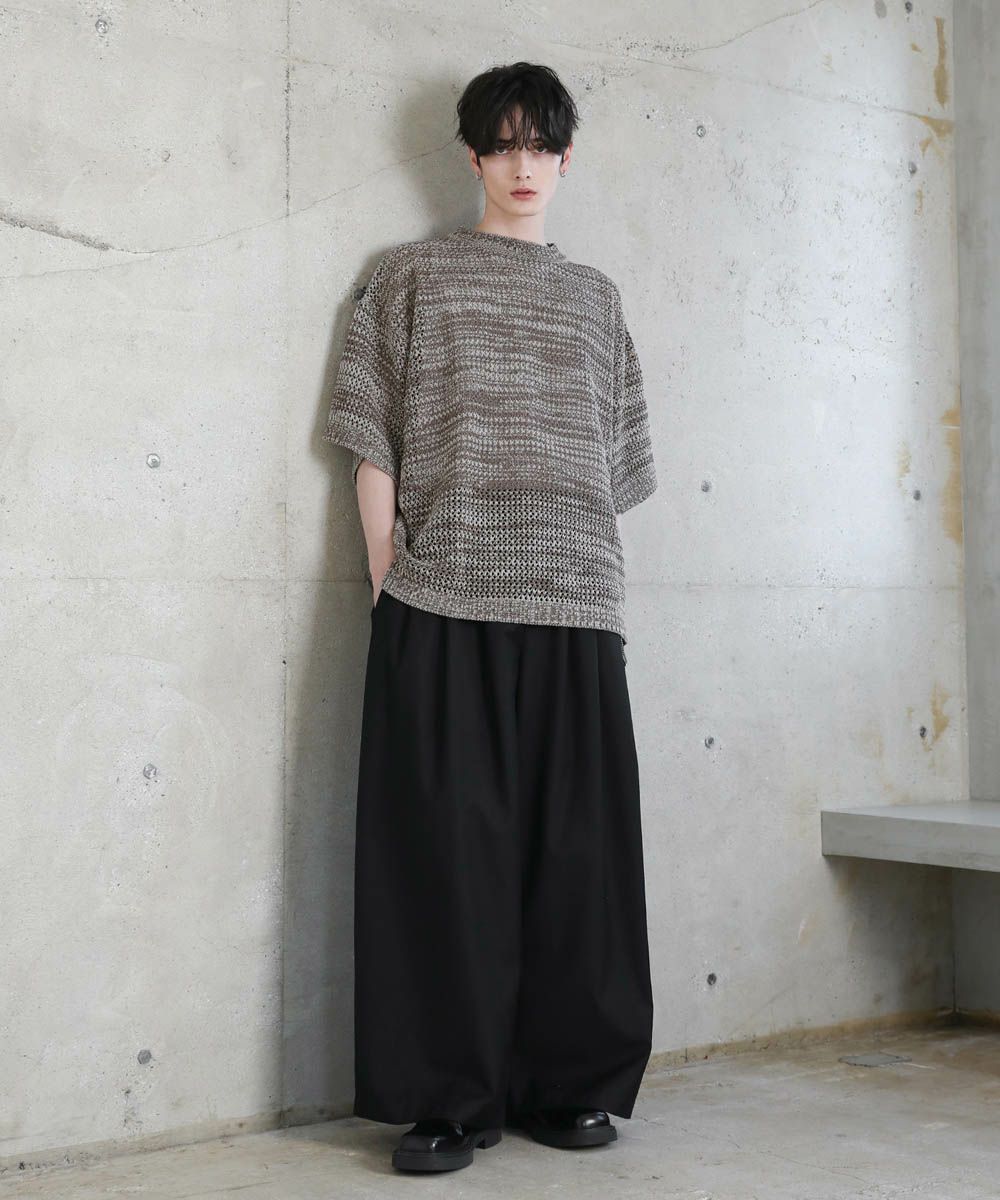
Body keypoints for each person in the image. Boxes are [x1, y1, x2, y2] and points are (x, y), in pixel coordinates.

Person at [322, 61, 658, 1174]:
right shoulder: (411, 275)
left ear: (566, 158)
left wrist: (577, 560)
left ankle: (568, 1086)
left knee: (579, 860)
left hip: (575, 603)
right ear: (472, 155)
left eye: (542, 145)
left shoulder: (595, 297)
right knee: (442, 857)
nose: (524, 165)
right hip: (441, 593)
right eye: (504, 144)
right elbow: (369, 427)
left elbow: (615, 463)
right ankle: (446, 1101)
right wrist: (385, 568)